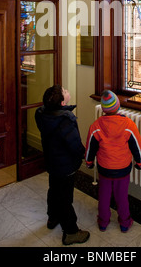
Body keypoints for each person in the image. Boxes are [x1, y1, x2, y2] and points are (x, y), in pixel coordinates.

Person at [35, 84, 90, 246]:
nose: (67, 91)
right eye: (64, 92)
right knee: (65, 197)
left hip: (52, 162)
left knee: (54, 189)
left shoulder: (42, 114)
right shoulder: (64, 121)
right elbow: (74, 144)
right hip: (65, 166)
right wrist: (84, 154)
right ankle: (71, 232)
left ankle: (53, 217)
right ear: (62, 103)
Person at [85, 90, 141, 232]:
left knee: (104, 196)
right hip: (123, 169)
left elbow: (90, 147)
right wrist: (140, 162)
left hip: (104, 168)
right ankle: (125, 222)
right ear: (118, 107)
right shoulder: (128, 125)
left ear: (103, 109)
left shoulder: (96, 126)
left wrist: (89, 162)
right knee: (122, 196)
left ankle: (103, 222)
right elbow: (137, 146)